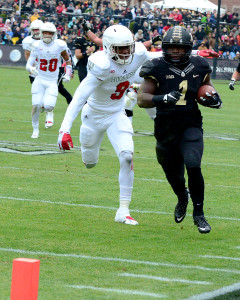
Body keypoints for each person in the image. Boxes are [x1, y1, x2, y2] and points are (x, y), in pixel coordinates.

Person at [57, 24, 164, 226]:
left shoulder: (138, 52)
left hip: (117, 113)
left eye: (127, 47)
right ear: (107, 47)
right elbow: (79, 97)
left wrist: (195, 51)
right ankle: (89, 156)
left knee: (127, 156)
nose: (125, 52)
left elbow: (162, 55)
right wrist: (64, 129)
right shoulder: (101, 64)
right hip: (93, 116)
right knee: (90, 162)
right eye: (119, 48)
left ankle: (123, 210)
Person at [137, 26, 222, 234]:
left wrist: (213, 98)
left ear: (188, 49)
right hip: (165, 129)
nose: (175, 52)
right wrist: (162, 98)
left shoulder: (200, 65)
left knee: (193, 165)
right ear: (165, 48)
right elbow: (141, 99)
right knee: (174, 175)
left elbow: (206, 86)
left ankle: (199, 213)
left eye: (180, 48)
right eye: (172, 48)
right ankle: (182, 198)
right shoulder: (155, 67)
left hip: (190, 124)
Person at [26, 22, 72, 138]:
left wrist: (68, 74)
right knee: (36, 105)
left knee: (48, 106)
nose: (47, 35)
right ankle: (35, 130)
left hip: (52, 81)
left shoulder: (59, 45)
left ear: (54, 34)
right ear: (41, 33)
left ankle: (48, 112)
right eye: (45, 32)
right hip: (39, 79)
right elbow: (28, 64)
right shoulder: (36, 45)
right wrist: (31, 69)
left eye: (49, 33)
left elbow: (68, 60)